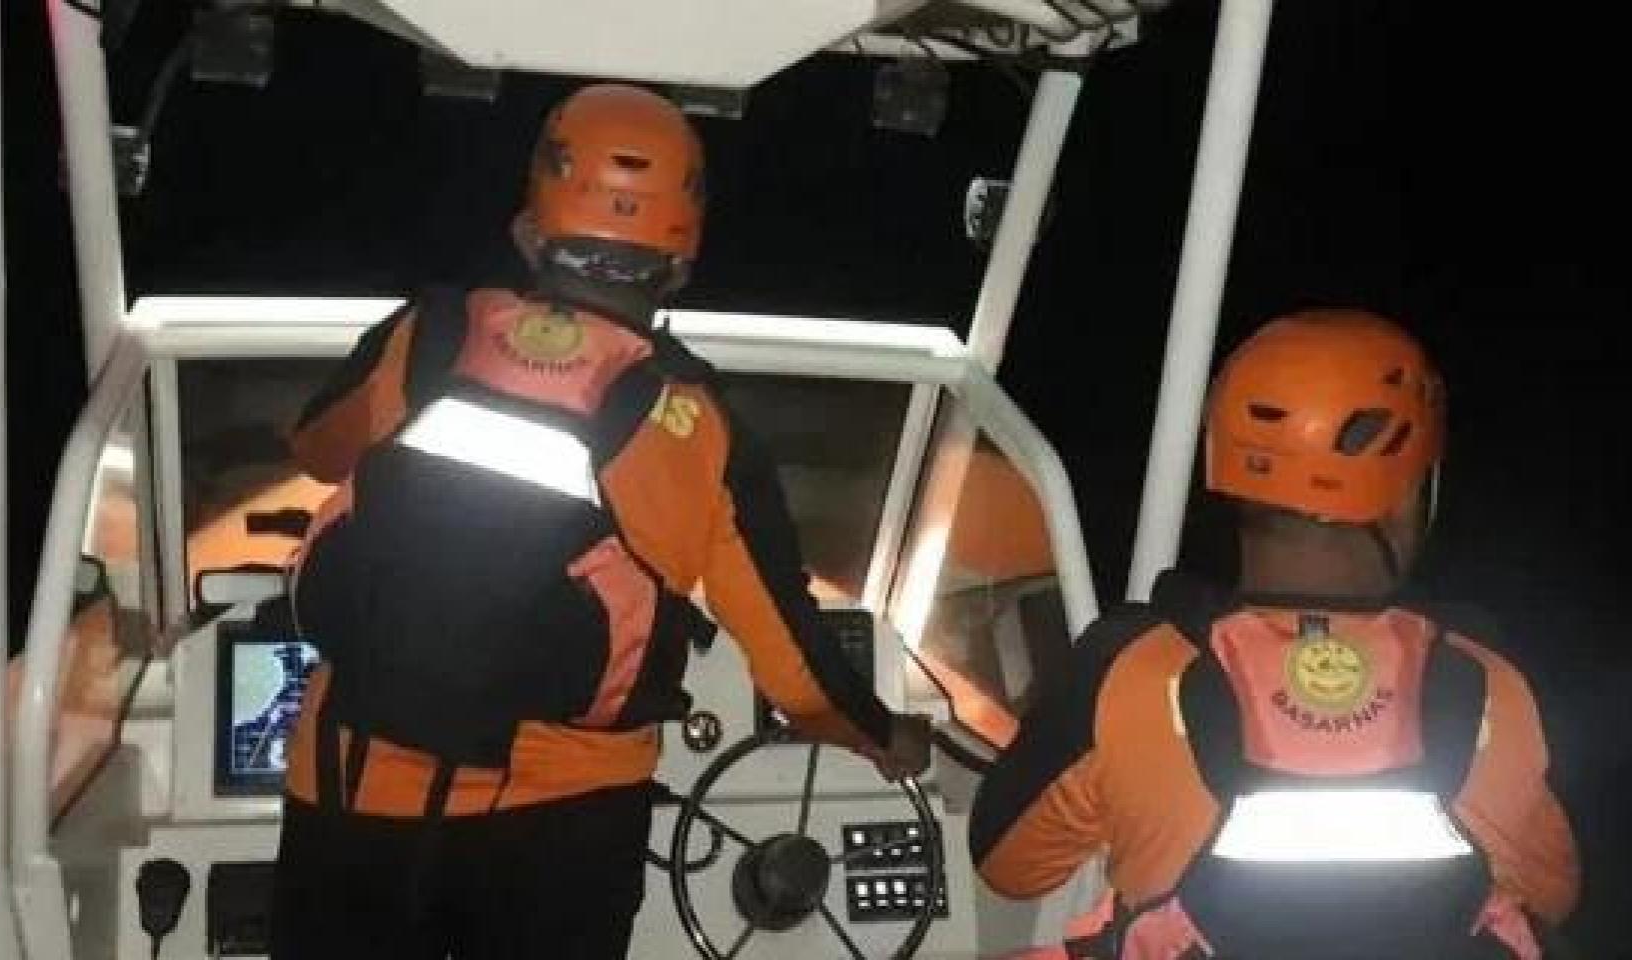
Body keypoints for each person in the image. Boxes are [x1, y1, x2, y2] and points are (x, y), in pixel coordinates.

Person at [268, 83, 931, 959]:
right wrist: (883, 736)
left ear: (531, 229)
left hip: (352, 795)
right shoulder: (700, 423)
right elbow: (794, 670)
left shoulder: (427, 334)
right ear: (682, 262)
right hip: (560, 834)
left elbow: (317, 446)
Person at [970, 309, 1578, 959]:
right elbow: (1554, 891)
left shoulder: (1131, 669)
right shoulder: (1492, 686)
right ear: (1404, 497)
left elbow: (1010, 869)